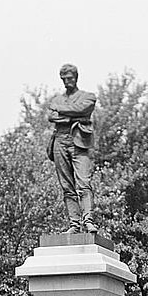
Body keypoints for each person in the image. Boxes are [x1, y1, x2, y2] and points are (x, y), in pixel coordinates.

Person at [47, 64, 98, 233]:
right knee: (67, 186)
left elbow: (83, 109)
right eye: (64, 79)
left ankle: (88, 220)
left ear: (76, 77)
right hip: (59, 142)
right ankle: (74, 224)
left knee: (84, 182)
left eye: (70, 78)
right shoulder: (57, 99)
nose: (67, 81)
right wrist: (73, 116)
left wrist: (62, 113)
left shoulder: (88, 97)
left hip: (79, 143)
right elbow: (51, 116)